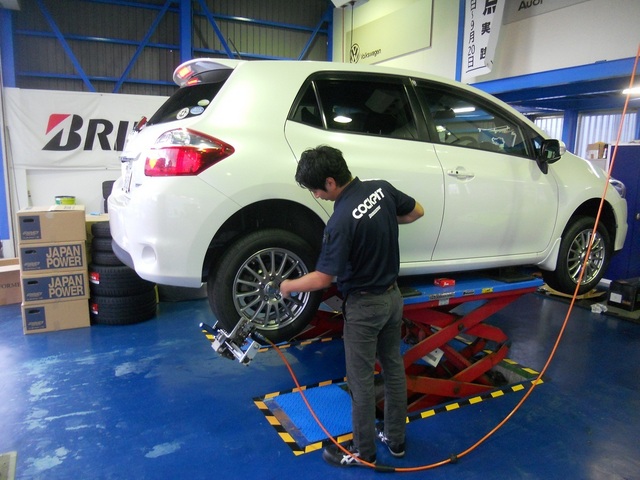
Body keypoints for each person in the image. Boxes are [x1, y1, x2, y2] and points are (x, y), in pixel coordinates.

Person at [279, 145, 424, 467]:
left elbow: (322, 279)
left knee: (360, 382)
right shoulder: (381, 189)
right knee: (393, 369)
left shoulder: (340, 221)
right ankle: (396, 440)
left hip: (365, 307)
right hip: (392, 298)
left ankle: (363, 451)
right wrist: (378, 222)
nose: (317, 195)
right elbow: (417, 212)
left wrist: (287, 285)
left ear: (330, 182)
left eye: (316, 189)